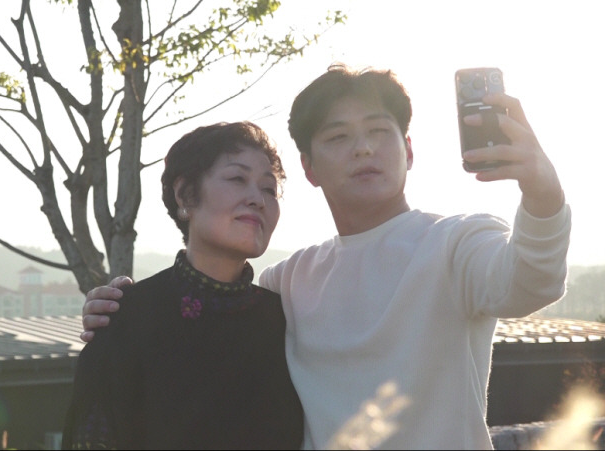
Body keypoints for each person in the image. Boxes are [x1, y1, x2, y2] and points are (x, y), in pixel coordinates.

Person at [79, 63, 571, 449]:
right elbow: (210, 317)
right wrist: (118, 308)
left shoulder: (457, 242)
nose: (363, 149)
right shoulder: (289, 281)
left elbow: (532, 279)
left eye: (379, 131)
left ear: (408, 150)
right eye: (338, 137)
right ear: (310, 168)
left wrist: (543, 192)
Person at [61, 121, 304, 450]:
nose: (257, 199)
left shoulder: (287, 322)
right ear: (185, 194)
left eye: (269, 189)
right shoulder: (127, 318)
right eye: (237, 179)